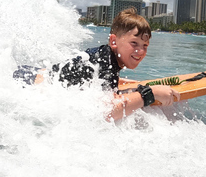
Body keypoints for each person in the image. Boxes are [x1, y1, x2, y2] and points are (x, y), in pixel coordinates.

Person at [13, 8, 180, 120]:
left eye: (145, 46)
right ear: (114, 41)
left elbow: (93, 82)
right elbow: (106, 113)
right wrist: (150, 95)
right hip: (25, 81)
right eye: (134, 43)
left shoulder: (107, 59)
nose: (141, 51)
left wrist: (129, 86)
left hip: (34, 73)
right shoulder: (105, 61)